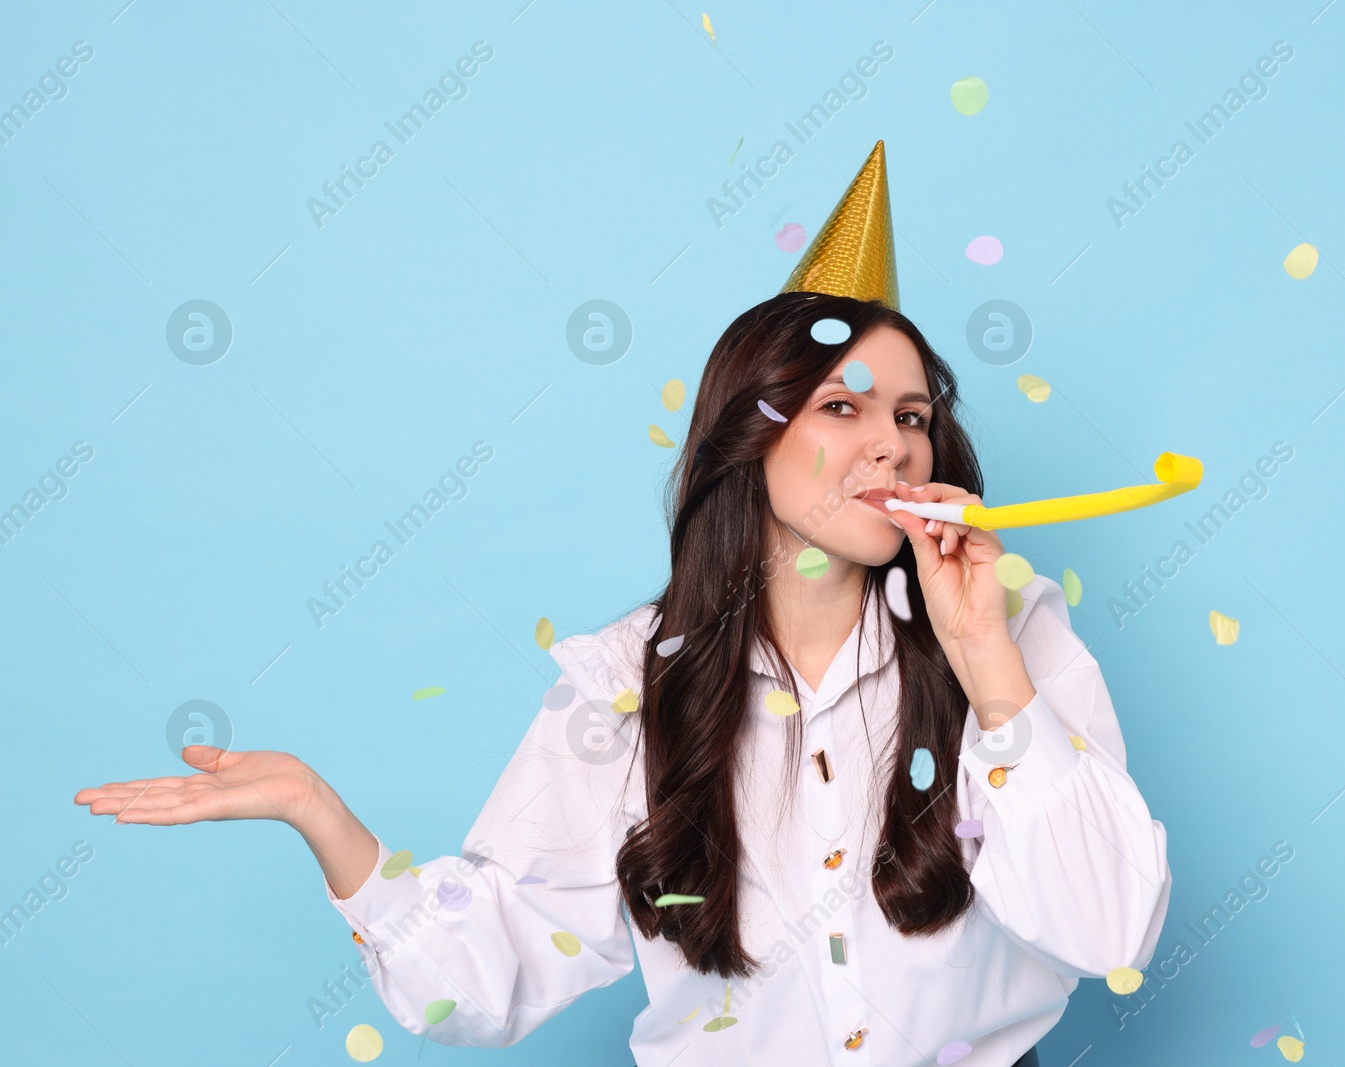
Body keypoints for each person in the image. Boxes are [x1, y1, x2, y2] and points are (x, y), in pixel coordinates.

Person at [73, 143, 1171, 1066]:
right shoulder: (625, 685)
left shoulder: (1013, 632)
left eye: (915, 413)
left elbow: (1111, 927)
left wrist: (981, 651)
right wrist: (324, 816)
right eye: (843, 404)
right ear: (752, 435)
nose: (893, 440)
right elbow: (488, 972)